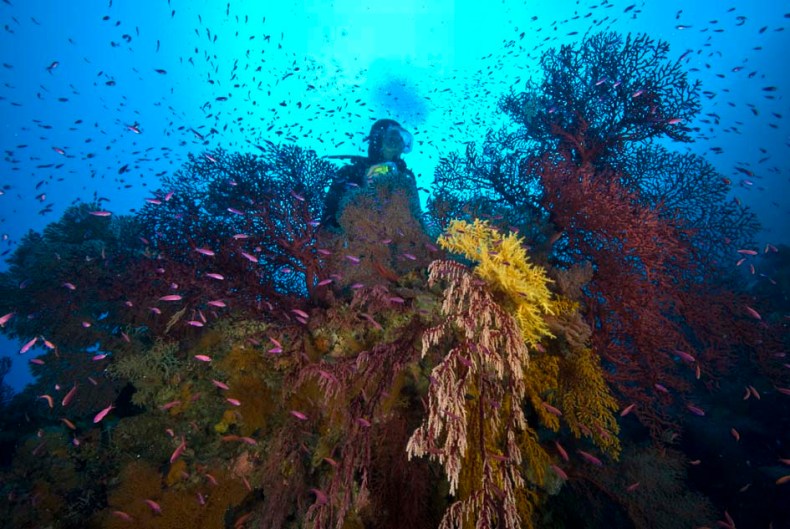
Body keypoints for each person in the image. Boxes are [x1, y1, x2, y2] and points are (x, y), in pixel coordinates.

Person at [322, 119, 417, 229]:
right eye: (391, 142)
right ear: (377, 143)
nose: (397, 150)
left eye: (401, 143)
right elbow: (327, 223)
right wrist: (364, 188)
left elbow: (416, 220)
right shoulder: (348, 173)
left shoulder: (407, 177)